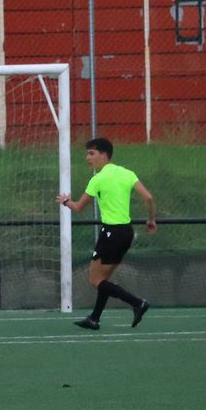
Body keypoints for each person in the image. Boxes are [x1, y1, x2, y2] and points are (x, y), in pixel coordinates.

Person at [56, 137, 156, 330]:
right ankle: (94, 318)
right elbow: (149, 197)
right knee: (104, 280)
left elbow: (78, 208)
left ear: (104, 155)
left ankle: (137, 303)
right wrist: (151, 220)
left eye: (91, 153)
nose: (88, 158)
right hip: (126, 233)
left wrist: (65, 201)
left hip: (111, 232)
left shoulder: (98, 179)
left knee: (95, 280)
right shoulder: (127, 173)